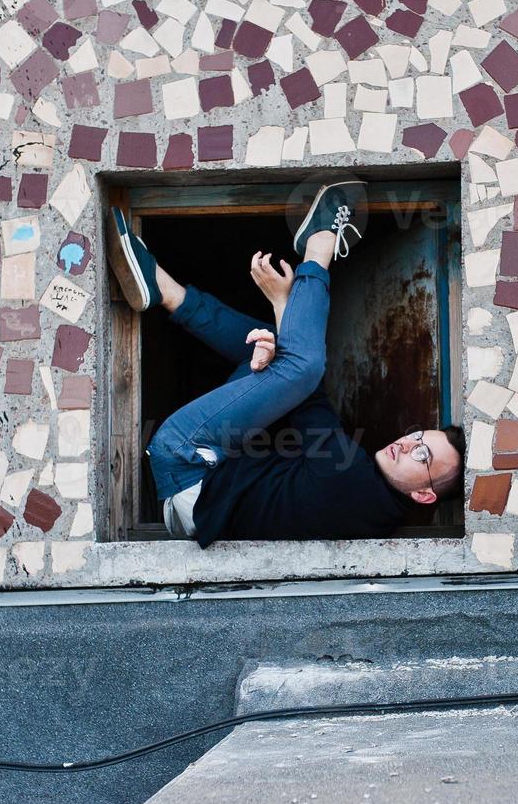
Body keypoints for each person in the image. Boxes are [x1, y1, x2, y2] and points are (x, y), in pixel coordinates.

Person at [107, 179, 466, 547]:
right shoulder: (374, 509)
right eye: (418, 436)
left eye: (422, 454)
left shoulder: (355, 486)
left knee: (303, 365)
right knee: (270, 346)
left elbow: (306, 389)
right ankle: (164, 291)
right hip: (198, 487)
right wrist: (280, 325)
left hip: (186, 461)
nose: (407, 444)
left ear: (425, 494)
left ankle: (319, 244)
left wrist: (284, 301)